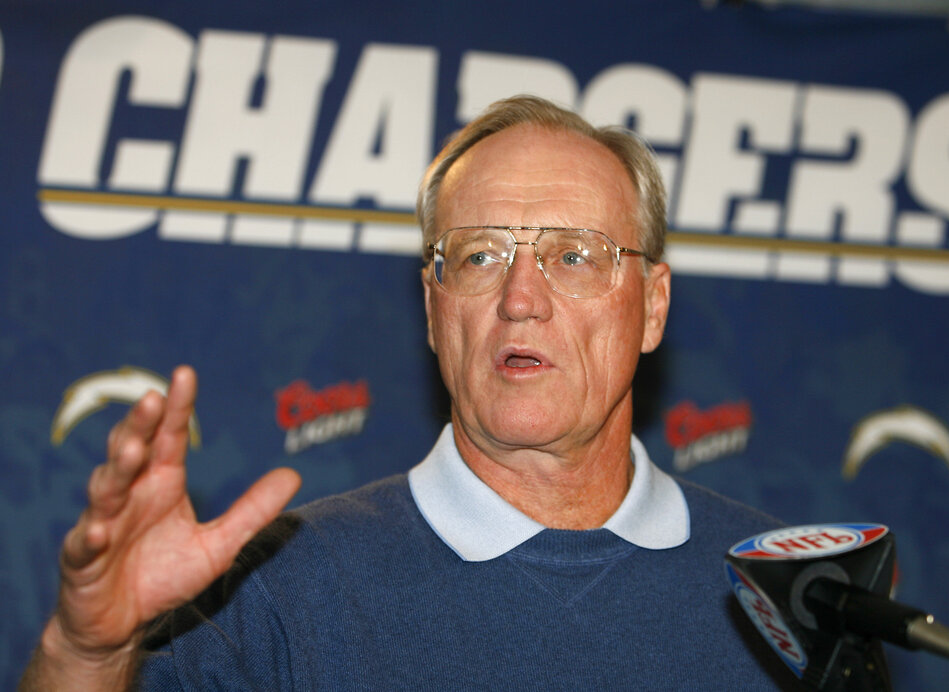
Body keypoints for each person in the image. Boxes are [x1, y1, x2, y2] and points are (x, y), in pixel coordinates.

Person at [20, 96, 792, 690]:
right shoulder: (279, 594)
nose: (522, 297)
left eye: (575, 256)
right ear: (434, 306)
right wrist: (85, 651)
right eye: (480, 256)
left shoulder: (784, 593)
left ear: (652, 306)